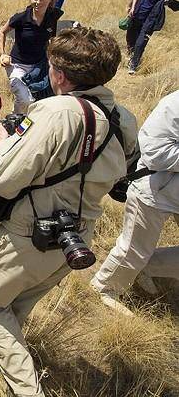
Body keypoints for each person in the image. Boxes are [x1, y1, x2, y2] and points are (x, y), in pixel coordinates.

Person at [0, 28, 137, 397]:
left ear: (58, 74)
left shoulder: (57, 112)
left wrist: (3, 143)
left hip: (30, 235)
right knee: (18, 302)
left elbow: (2, 179)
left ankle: (27, 389)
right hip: (76, 237)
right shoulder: (123, 118)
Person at [91, 90, 179, 316]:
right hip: (155, 190)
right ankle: (104, 287)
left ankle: (146, 269)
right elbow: (155, 154)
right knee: (134, 249)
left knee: (139, 256)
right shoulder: (173, 104)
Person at [0, 0, 63, 113]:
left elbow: (52, 39)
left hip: (39, 65)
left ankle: (23, 121)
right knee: (26, 100)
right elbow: (2, 32)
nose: (38, 2)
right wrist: (3, 54)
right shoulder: (21, 17)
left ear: (50, 0)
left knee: (43, 99)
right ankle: (15, 122)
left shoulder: (52, 16)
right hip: (17, 65)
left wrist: (54, 60)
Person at [125, 0, 177, 74]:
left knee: (141, 41)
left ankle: (133, 65)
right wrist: (132, 7)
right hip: (139, 12)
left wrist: (169, 2)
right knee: (131, 37)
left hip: (152, 17)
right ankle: (130, 55)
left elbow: (168, 0)